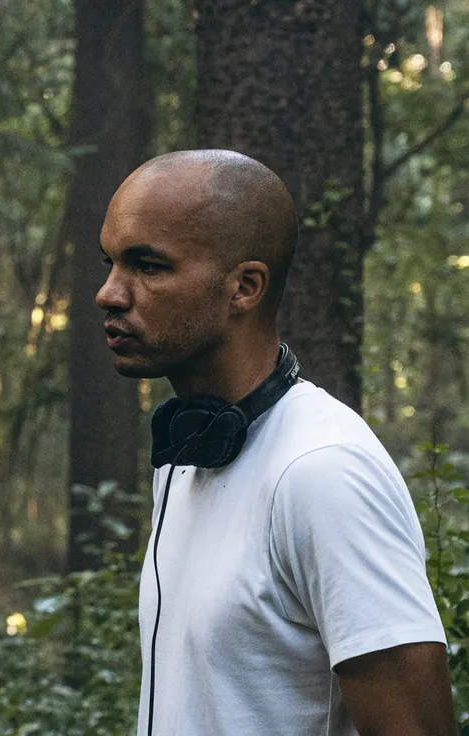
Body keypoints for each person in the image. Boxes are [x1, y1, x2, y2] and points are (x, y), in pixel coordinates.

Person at [96, 149, 455, 735]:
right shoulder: (187, 458)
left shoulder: (321, 471)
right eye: (110, 262)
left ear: (244, 287)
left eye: (148, 265)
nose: (109, 293)